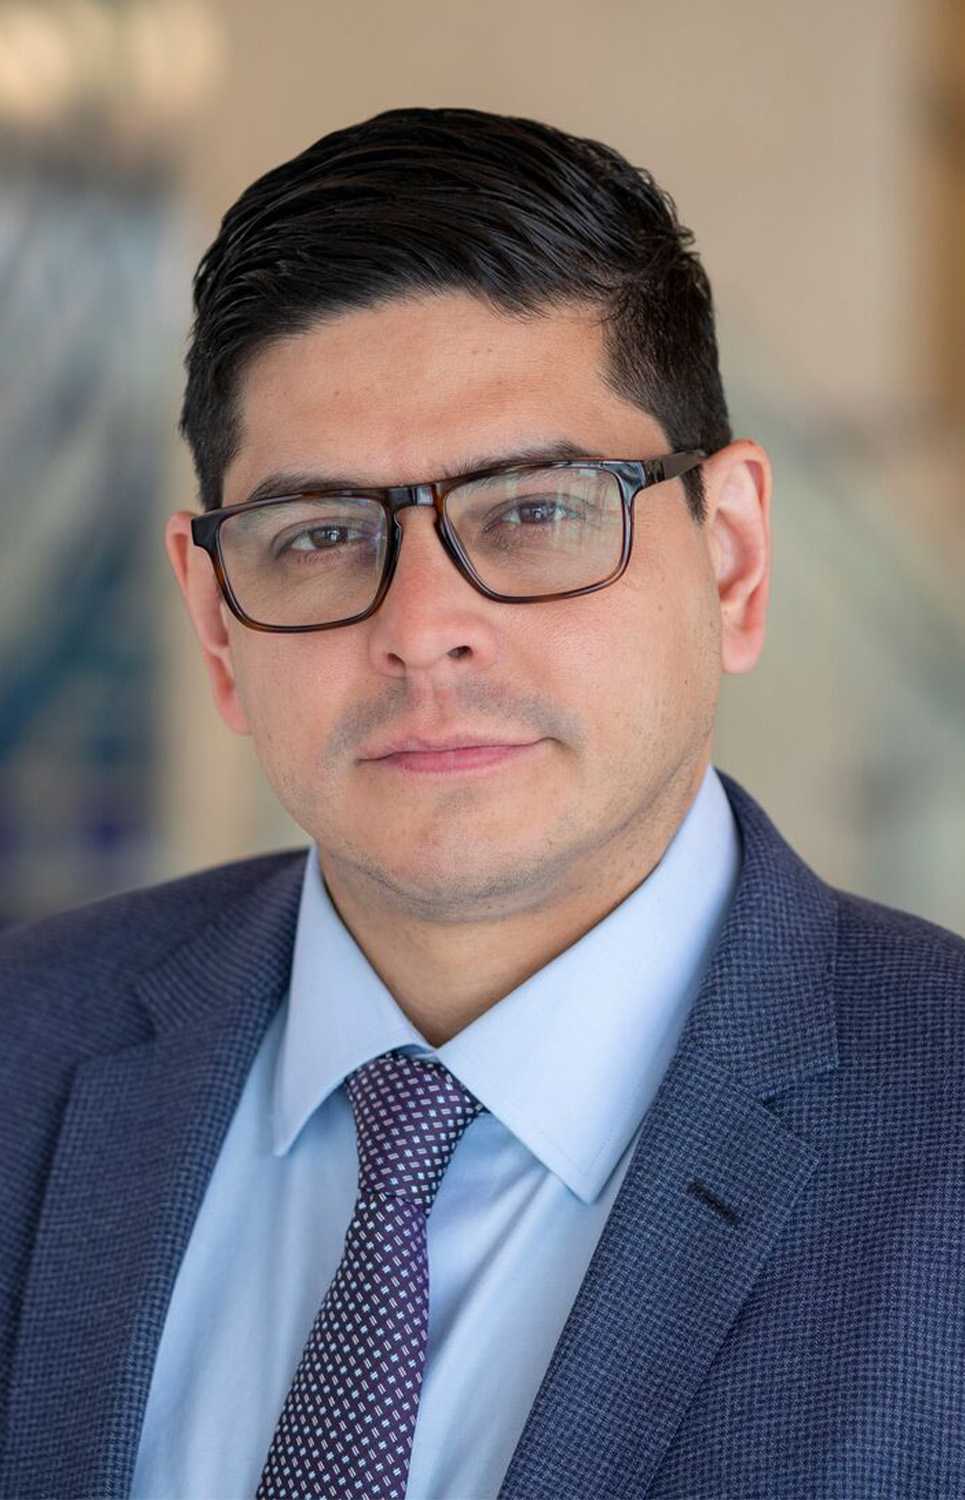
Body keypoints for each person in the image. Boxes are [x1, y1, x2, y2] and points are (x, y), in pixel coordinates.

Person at [2, 106, 964, 1500]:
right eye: (320, 535)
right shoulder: (25, 1052)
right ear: (215, 622)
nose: (422, 629)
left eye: (534, 510)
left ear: (733, 560)